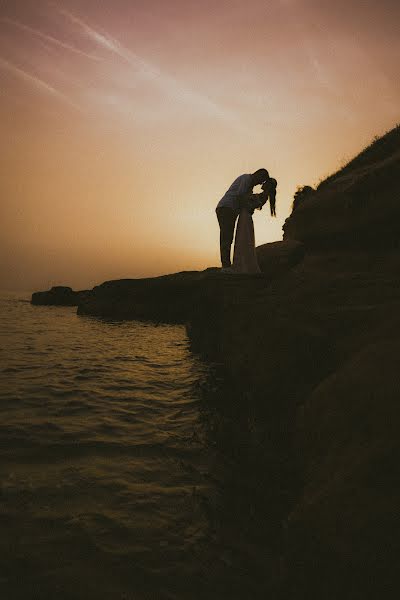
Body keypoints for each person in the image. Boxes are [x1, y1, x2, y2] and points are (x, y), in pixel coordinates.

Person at [215, 169, 269, 269]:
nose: (259, 183)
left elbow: (244, 198)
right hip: (226, 208)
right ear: (258, 175)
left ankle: (226, 265)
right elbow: (240, 196)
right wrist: (250, 205)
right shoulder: (246, 179)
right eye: (261, 180)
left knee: (228, 237)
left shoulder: (249, 185)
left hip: (230, 209)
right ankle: (226, 266)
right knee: (226, 237)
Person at [231, 178, 278, 274]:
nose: (263, 183)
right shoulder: (263, 195)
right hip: (245, 216)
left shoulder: (263, 195)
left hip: (245, 216)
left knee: (243, 239)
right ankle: (243, 265)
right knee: (244, 239)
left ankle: (243, 266)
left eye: (265, 182)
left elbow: (251, 203)